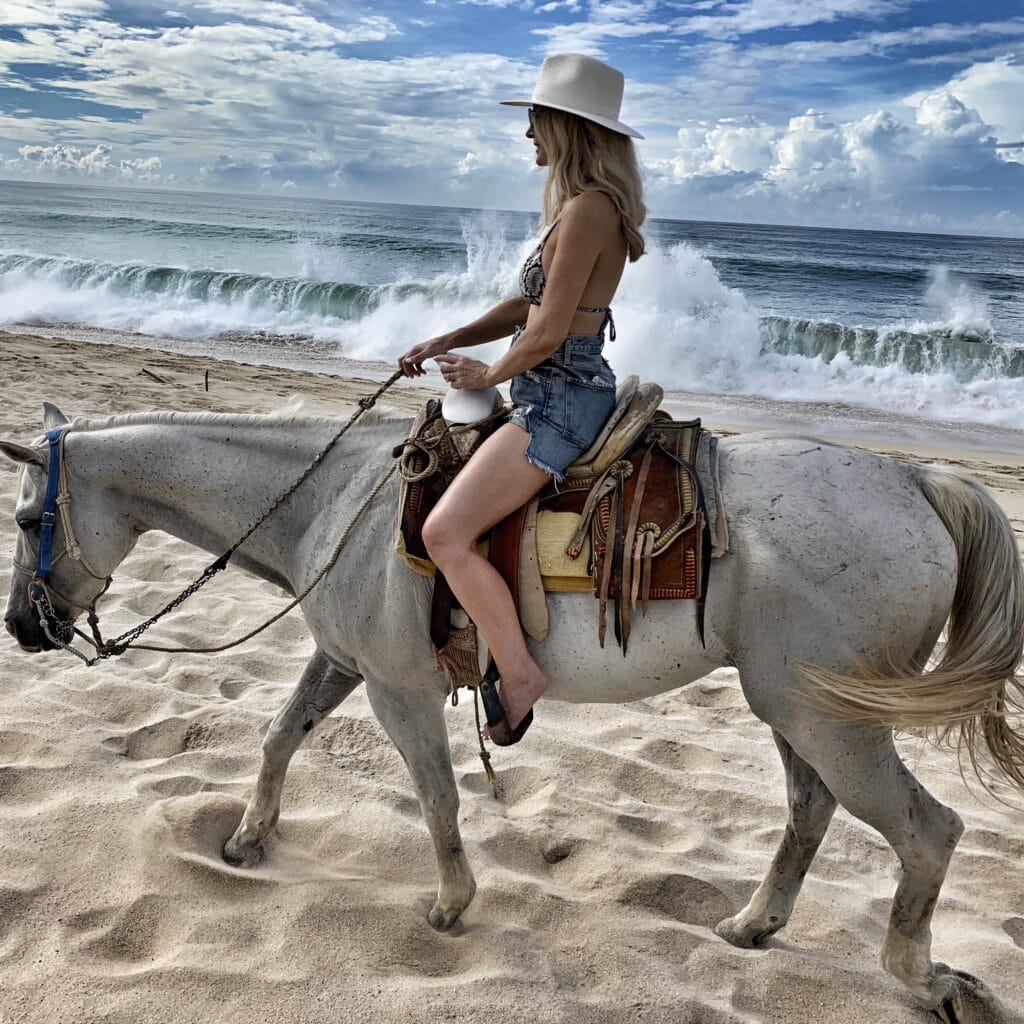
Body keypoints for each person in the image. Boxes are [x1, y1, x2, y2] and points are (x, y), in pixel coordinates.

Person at [397, 52, 646, 745]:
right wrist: (447, 335)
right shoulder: (580, 208)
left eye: (535, 121)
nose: (528, 134)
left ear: (565, 126)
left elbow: (546, 332)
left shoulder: (592, 209)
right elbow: (526, 306)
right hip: (549, 390)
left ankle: (519, 672)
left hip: (559, 403)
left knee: (442, 534)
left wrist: (487, 376)